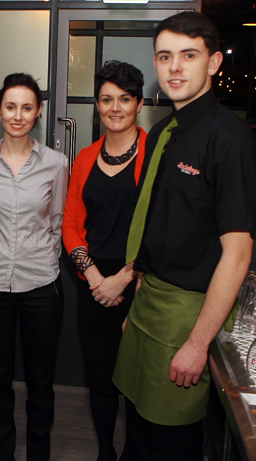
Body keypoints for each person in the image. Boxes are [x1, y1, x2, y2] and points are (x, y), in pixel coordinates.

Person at [112, 11, 256, 460]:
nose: (175, 67)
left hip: (186, 317)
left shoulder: (228, 140)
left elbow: (238, 252)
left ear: (212, 63)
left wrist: (197, 344)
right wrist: (135, 306)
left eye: (188, 56)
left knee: (170, 443)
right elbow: (156, 230)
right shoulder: (161, 133)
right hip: (148, 307)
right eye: (165, 57)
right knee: (136, 433)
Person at [0, 73, 68, 461]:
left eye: (27, 107)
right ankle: (4, 454)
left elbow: (58, 219)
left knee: (41, 383)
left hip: (41, 284)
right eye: (10, 106)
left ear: (38, 112)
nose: (18, 115)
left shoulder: (57, 163)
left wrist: (38, 254)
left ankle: (38, 456)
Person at [62, 60, 145, 461]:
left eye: (124, 99)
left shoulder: (155, 156)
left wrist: (123, 278)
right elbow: (71, 226)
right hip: (93, 285)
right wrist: (95, 277)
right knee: (100, 377)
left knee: (135, 377)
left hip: (141, 283)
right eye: (107, 99)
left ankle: (132, 451)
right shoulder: (84, 157)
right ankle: (105, 452)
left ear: (139, 104)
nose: (115, 108)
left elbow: (160, 229)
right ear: (97, 104)